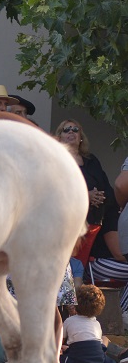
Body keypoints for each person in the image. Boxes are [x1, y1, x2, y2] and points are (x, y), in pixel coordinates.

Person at [59, 119, 126, 319]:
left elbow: (108, 188)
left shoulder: (91, 161)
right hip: (70, 228)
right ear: (59, 136)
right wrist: (85, 196)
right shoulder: (57, 160)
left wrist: (99, 196)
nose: (71, 132)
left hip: (97, 225)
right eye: (66, 130)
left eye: (75, 129)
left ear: (81, 137)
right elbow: (56, 192)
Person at [60, 285, 121, 363]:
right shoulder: (96, 323)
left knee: (61, 354)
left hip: (76, 360)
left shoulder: (69, 321)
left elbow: (61, 340)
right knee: (104, 338)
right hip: (96, 359)